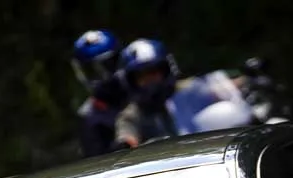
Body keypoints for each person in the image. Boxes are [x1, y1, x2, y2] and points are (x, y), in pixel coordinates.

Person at [112, 38, 256, 150]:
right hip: (173, 170)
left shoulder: (187, 88)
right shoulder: (132, 113)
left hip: (210, 151)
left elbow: (217, 88)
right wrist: (126, 143)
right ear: (131, 81)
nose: (149, 79)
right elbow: (126, 134)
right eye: (141, 76)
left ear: (166, 70)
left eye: (153, 72)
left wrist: (248, 80)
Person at [71, 29, 129, 158]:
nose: (105, 77)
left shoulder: (139, 90)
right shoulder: (90, 118)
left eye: (108, 65)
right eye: (93, 71)